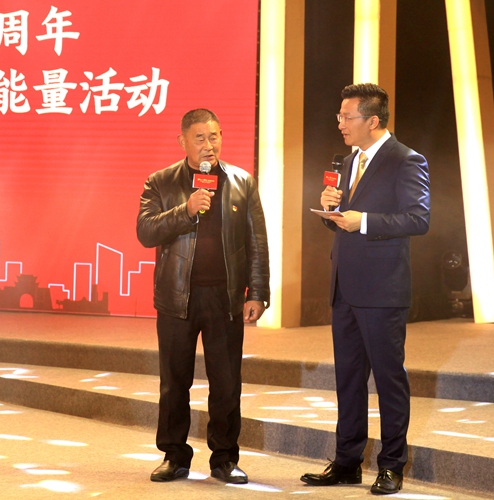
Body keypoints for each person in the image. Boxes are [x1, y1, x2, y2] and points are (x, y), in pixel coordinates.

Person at [300, 83, 430, 495]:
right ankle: (347, 462)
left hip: (382, 289)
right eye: (339, 116)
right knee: (349, 379)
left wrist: (365, 220)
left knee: (389, 381)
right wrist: (332, 210)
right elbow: (343, 222)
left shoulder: (406, 160)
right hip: (345, 287)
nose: (340, 123)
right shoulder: (348, 160)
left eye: (347, 117)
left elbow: (418, 219)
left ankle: (392, 466)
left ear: (373, 120)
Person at [136, 108, 269, 485]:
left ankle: (224, 458)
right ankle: (174, 455)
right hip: (176, 299)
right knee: (174, 382)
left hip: (225, 299)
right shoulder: (160, 182)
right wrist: (187, 209)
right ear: (182, 141)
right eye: (200, 138)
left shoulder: (242, 182)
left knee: (226, 383)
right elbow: (146, 232)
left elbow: (257, 243)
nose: (209, 145)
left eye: (215, 136)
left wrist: (258, 292)